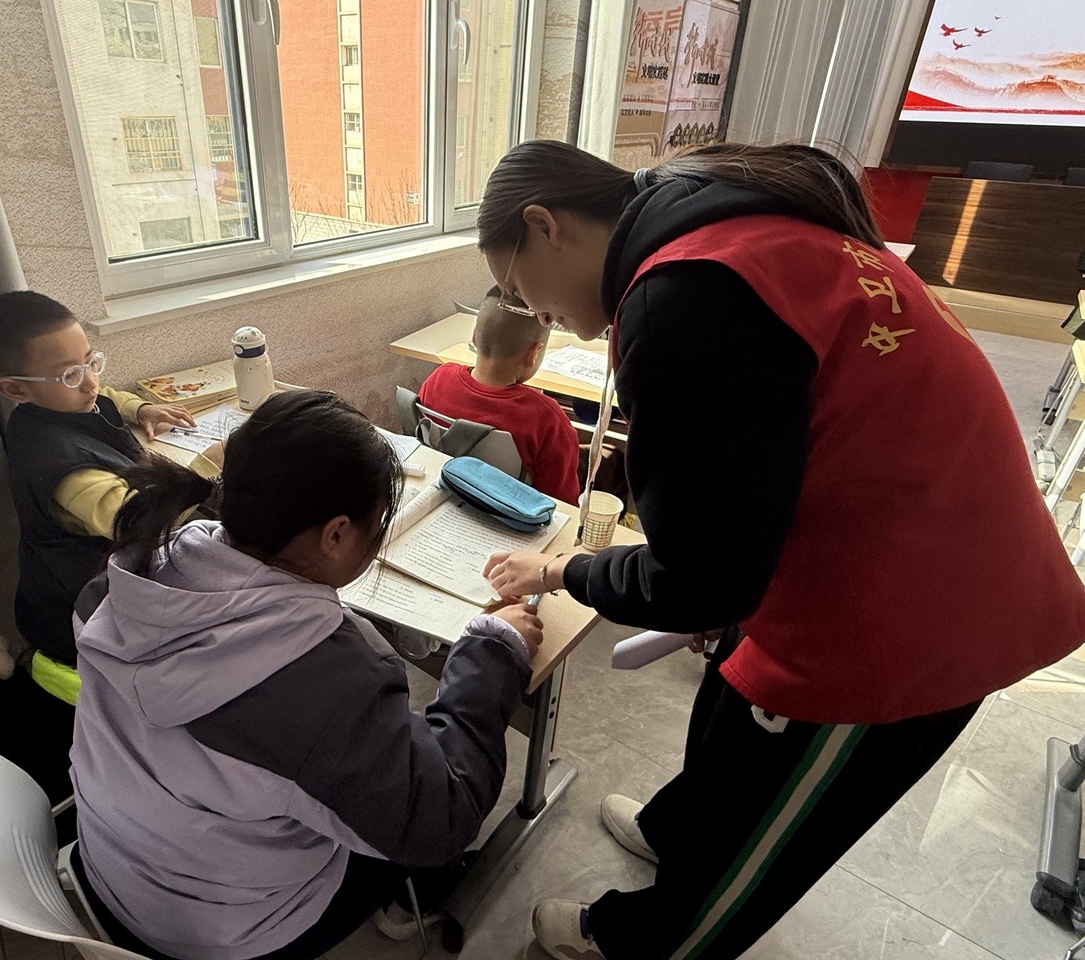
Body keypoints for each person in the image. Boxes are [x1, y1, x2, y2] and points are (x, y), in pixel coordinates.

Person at [475, 140, 1085, 960]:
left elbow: (700, 581)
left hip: (917, 611)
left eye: (519, 288)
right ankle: (677, 832)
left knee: (756, 835)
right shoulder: (724, 228)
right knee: (730, 702)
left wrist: (563, 571)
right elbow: (733, 525)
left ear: (545, 226)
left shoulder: (683, 296)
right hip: (869, 537)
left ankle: (645, 938)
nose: (531, 311)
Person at [68, 389, 544, 960]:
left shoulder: (118, 582)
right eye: (377, 525)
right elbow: (442, 819)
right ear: (335, 534)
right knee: (412, 823)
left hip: (113, 868)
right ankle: (415, 899)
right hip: (221, 934)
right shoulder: (333, 683)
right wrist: (493, 649)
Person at [0, 291, 208, 800]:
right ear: (15, 389)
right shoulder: (64, 470)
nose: (90, 382)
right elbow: (137, 520)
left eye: (91, 361)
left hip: (71, 587)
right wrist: (214, 476)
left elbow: (107, 398)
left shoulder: (60, 403)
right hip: (80, 614)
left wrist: (142, 407)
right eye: (70, 374)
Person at [419, 285, 582, 503]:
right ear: (534, 354)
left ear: (475, 337)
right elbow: (562, 504)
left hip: (445, 497)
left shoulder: (438, 379)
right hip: (511, 516)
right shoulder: (548, 420)